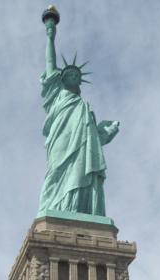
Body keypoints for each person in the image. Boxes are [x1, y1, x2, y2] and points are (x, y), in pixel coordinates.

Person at [37, 13, 120, 217]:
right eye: (70, 75)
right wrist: (50, 35)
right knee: (56, 172)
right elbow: (50, 62)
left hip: (82, 147)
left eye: (77, 76)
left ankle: (79, 210)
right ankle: (52, 211)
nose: (74, 77)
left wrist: (107, 132)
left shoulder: (84, 106)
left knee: (83, 170)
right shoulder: (57, 93)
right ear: (62, 79)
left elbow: (93, 140)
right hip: (61, 139)